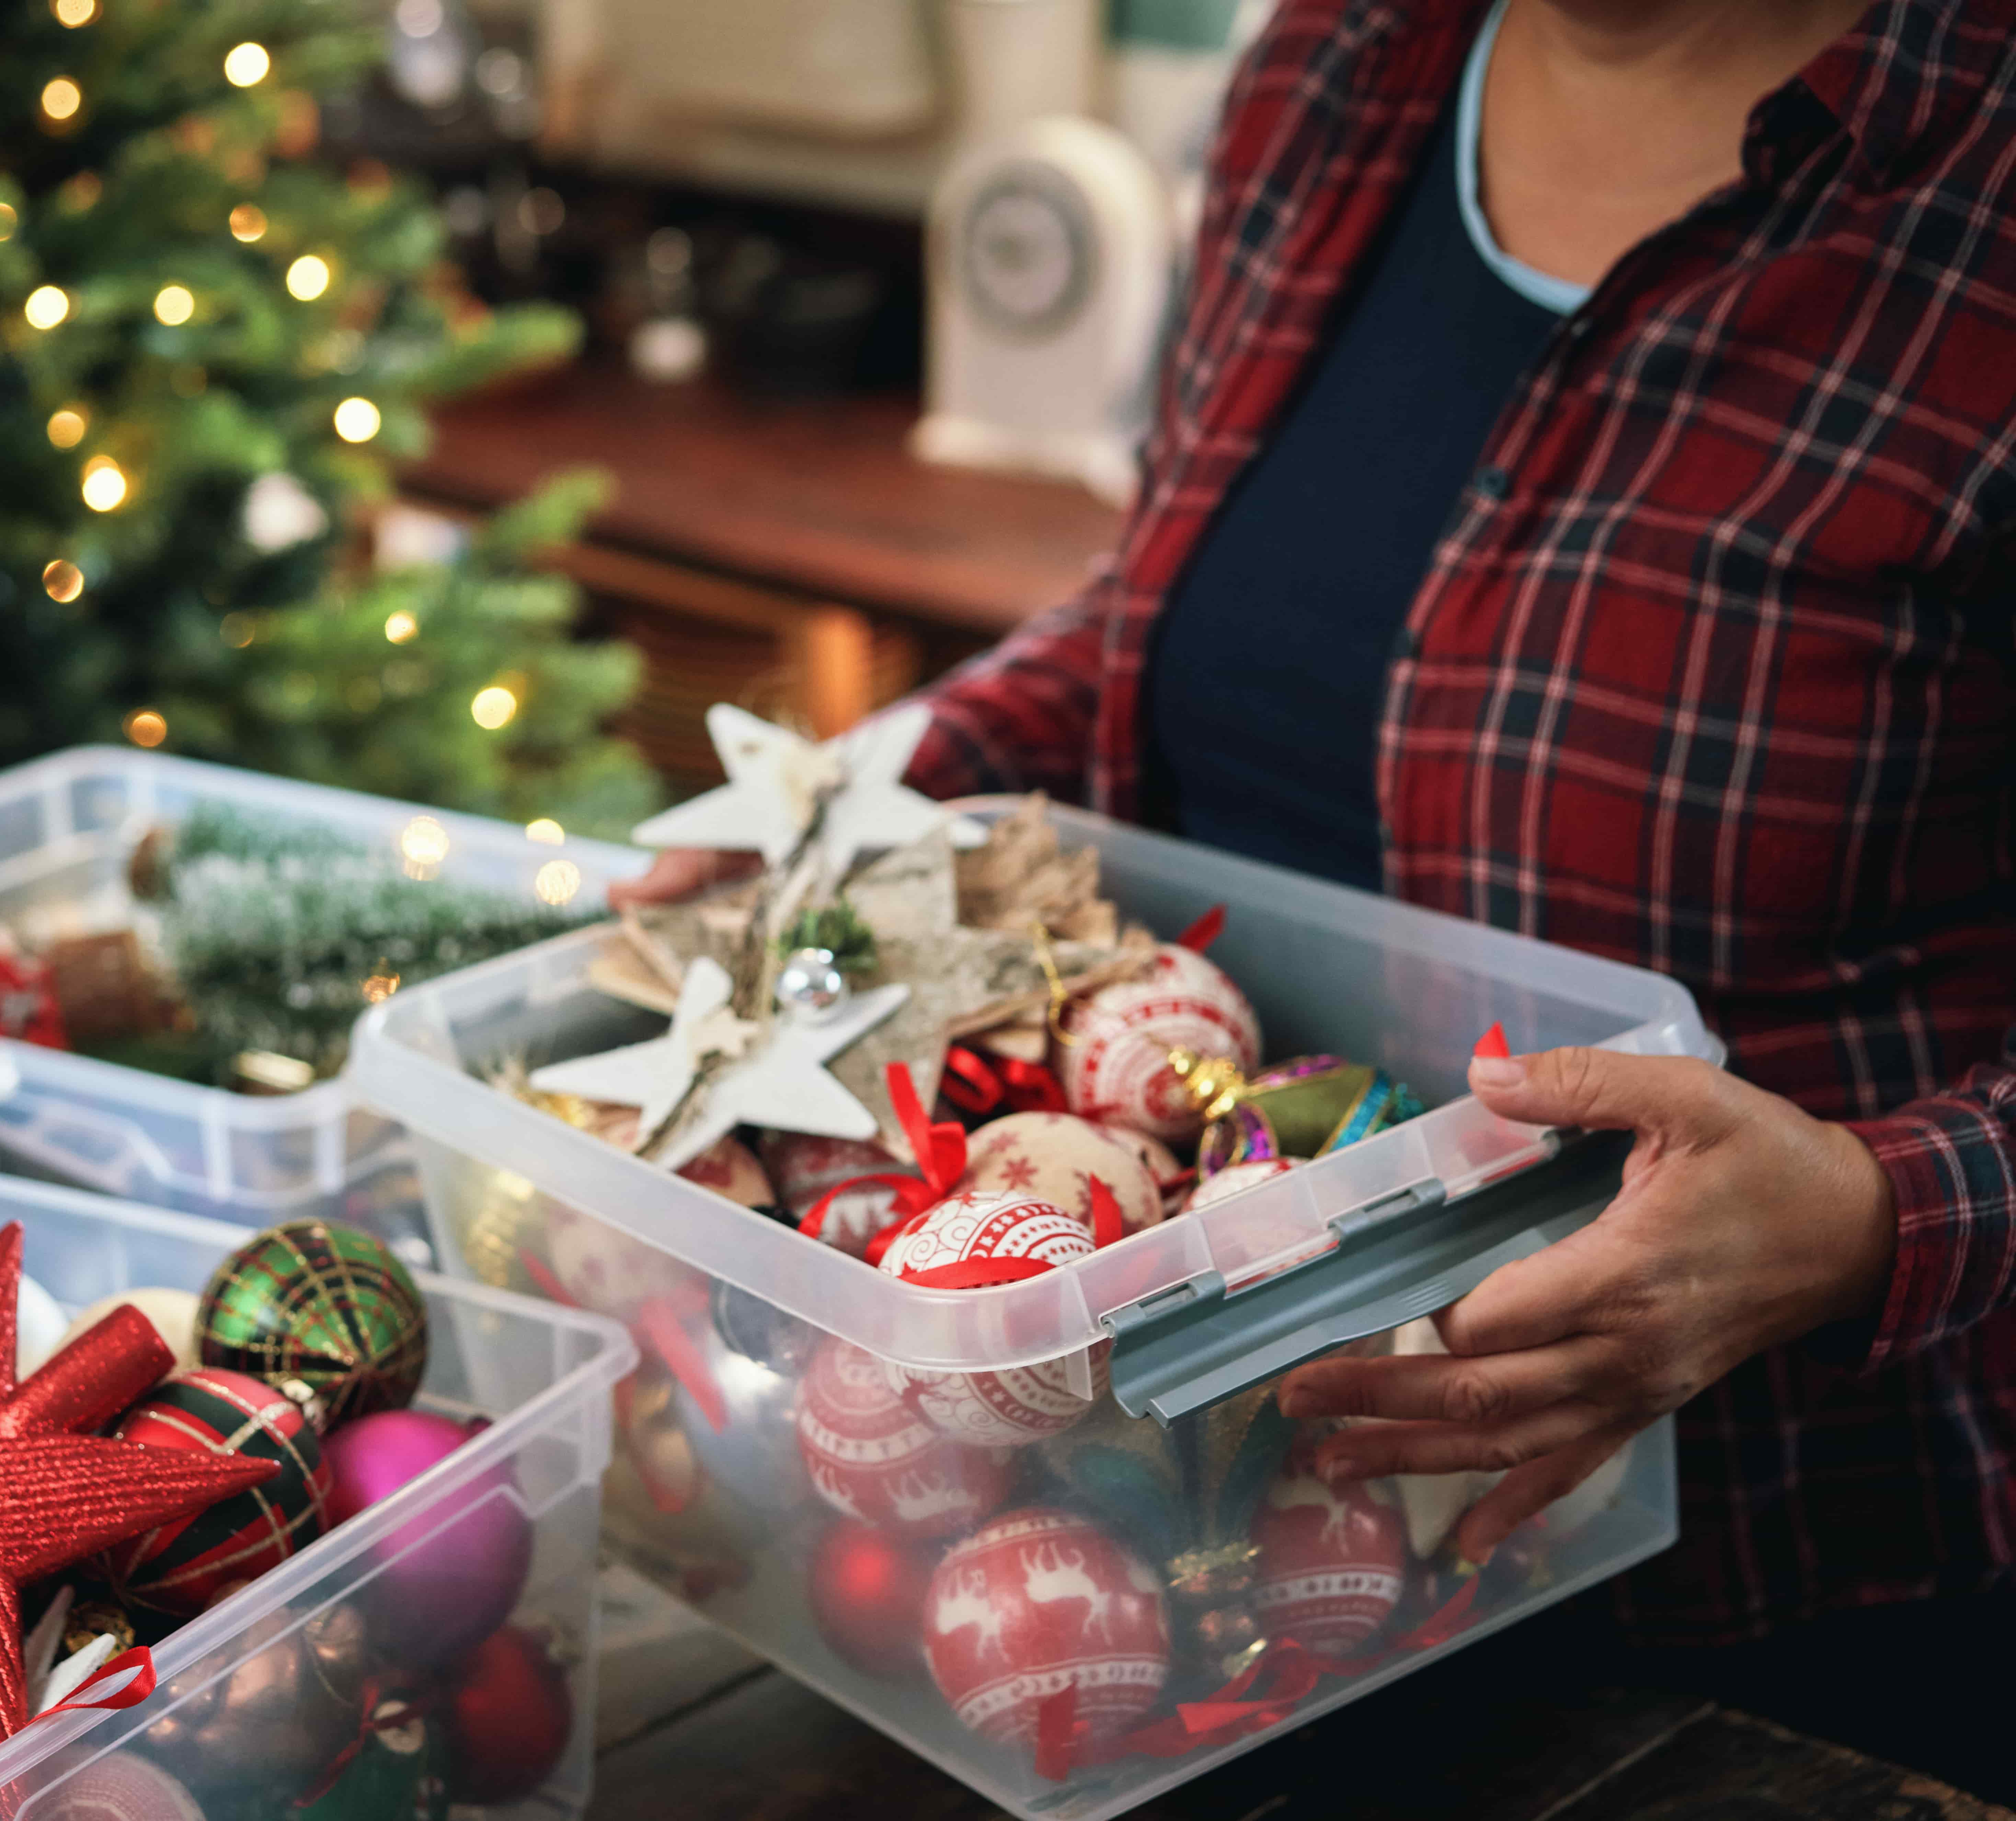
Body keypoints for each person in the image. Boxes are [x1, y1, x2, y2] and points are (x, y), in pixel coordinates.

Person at [620, 0, 2016, 1788]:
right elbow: (1170, 622)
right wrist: (880, 779)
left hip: (1779, 1615)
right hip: (1216, 1552)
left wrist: (1874, 1212)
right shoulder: (1343, 62)